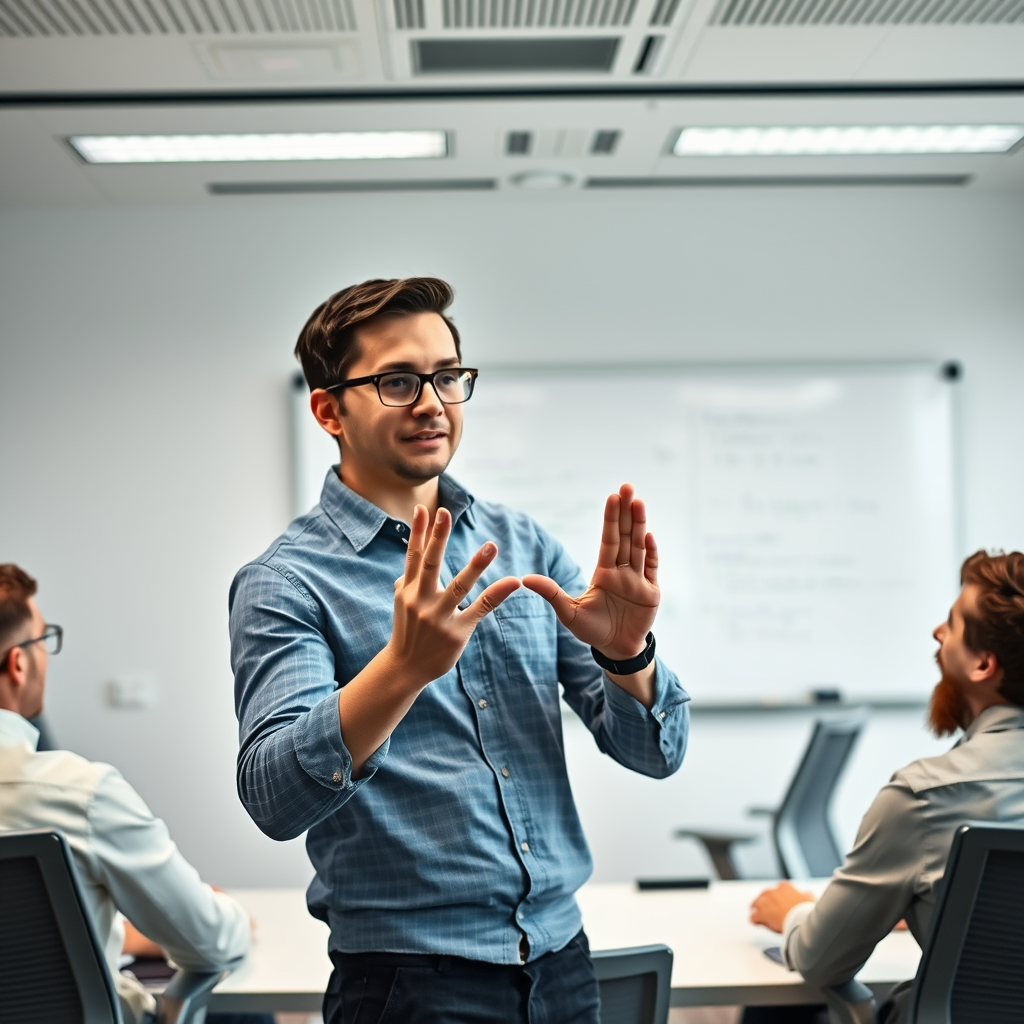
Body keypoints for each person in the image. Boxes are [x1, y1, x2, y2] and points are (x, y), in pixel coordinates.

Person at [229, 276, 691, 1024]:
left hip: (562, 964)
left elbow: (655, 755)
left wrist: (629, 656)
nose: (433, 402)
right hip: (410, 985)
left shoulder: (523, 543)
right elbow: (274, 799)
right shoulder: (284, 583)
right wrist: (401, 672)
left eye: (447, 376)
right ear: (328, 409)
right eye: (398, 380)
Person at [746, 550, 1024, 1024]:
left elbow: (820, 958)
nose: (938, 633)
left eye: (953, 624)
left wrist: (794, 915)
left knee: (771, 1016)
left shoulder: (923, 798)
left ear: (983, 664)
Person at [0, 563, 253, 1024]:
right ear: (18, 663)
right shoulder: (80, 793)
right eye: (42, 639)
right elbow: (212, 942)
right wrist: (229, 911)